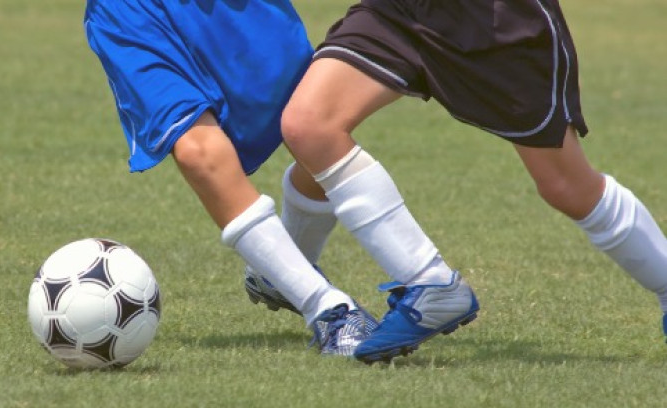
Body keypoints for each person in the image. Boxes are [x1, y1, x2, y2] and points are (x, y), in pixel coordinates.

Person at [253, 0, 667, 364]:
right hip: (400, 9)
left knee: (566, 186)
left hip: (493, 22)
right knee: (310, 125)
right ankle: (418, 281)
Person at [82, 0, 379, 356]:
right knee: (197, 151)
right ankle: (329, 310)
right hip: (134, 12)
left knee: (315, 125)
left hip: (236, 9)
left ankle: (281, 272)